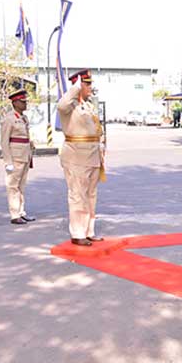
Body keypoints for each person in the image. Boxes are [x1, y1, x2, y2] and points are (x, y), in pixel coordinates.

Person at [57, 69, 105, 246]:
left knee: (91, 195)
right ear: (78, 85)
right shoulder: (70, 106)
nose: (91, 87)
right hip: (76, 156)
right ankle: (78, 233)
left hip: (92, 155)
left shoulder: (88, 105)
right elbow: (61, 105)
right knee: (78, 195)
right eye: (87, 84)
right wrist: (75, 88)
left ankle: (88, 231)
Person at [0, 89, 36, 224]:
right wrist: (7, 161)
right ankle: (14, 215)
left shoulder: (23, 118)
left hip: (25, 156)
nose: (25, 104)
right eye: (22, 102)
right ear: (15, 103)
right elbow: (4, 141)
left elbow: (23, 137)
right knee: (13, 186)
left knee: (21, 186)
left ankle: (21, 212)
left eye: (25, 101)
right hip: (15, 158)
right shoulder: (9, 119)